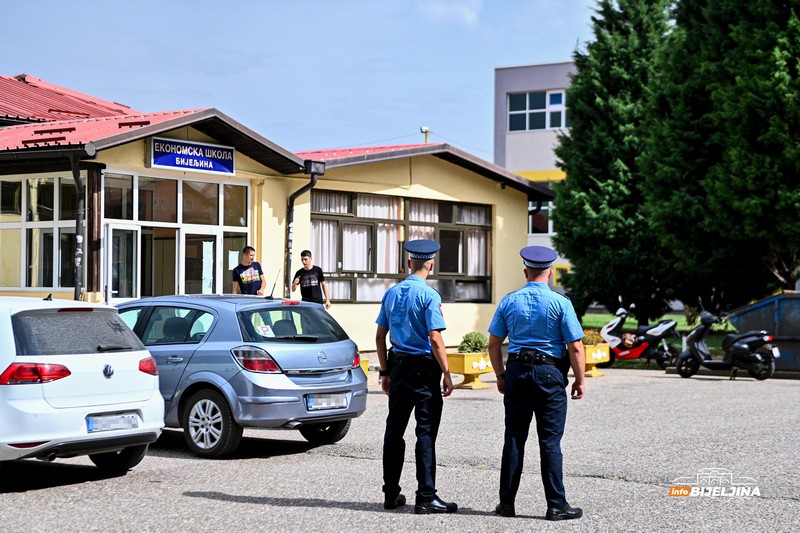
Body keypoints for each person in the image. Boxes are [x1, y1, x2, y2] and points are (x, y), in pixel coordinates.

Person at [487, 245, 586, 521]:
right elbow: (575, 346)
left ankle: (506, 504)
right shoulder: (560, 303)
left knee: (514, 438)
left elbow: (494, 344)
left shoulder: (509, 301)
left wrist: (500, 375)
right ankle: (556, 505)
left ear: (525, 271)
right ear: (551, 273)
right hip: (548, 373)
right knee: (550, 442)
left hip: (517, 371)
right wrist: (579, 379)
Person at [376, 239, 458, 515]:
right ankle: (426, 496)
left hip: (398, 366)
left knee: (394, 431)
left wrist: (385, 371)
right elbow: (435, 338)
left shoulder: (392, 293)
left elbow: (379, 335)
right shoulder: (430, 296)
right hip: (424, 369)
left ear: (409, 263)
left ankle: (390, 494)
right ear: (431, 265)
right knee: (425, 432)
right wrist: (447, 372)